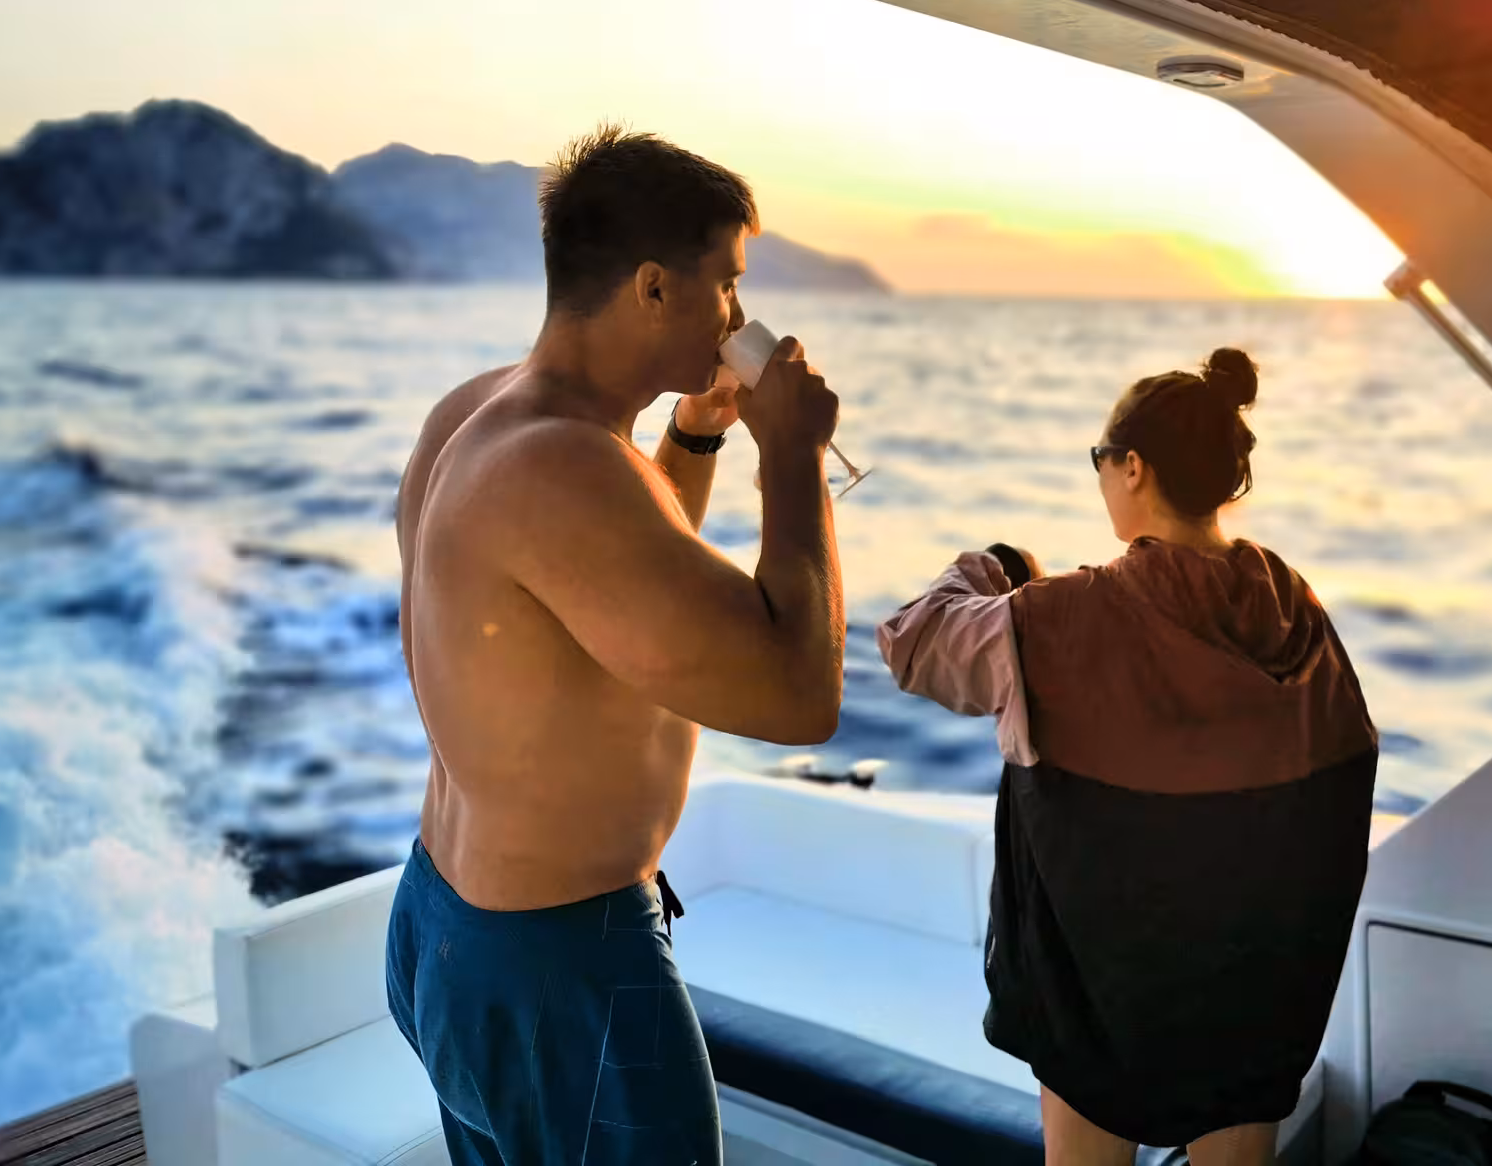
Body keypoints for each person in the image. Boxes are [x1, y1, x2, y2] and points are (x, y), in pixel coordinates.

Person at [385, 126, 844, 1165]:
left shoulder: (485, 415)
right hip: (559, 966)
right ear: (652, 288)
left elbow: (609, 610)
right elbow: (796, 695)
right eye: (726, 284)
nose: (738, 316)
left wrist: (696, 437)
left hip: (453, 924)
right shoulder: (567, 469)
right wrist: (796, 459)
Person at [878, 348, 1377, 1166]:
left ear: (1133, 467)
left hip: (1101, 994)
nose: (1102, 476)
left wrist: (991, 570)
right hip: (1259, 993)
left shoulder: (1065, 617)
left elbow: (913, 643)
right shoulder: (1297, 606)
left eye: (1100, 461)